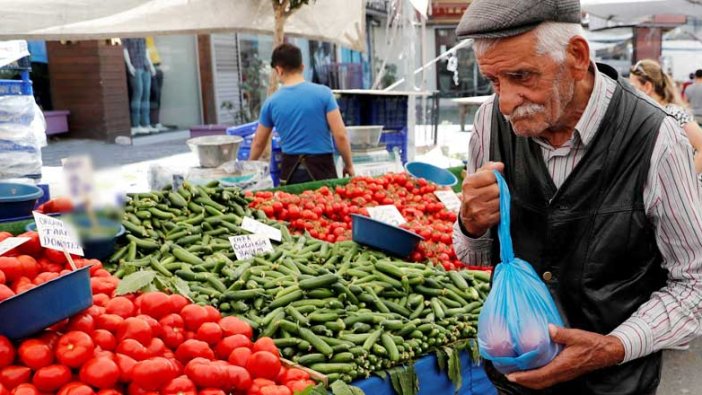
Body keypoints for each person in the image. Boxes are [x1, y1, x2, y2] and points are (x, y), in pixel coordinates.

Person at [453, 0, 702, 394]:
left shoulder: (657, 138)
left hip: (613, 384)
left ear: (577, 56)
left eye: (521, 76)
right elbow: (475, 255)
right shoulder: (489, 124)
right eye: (494, 81)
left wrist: (611, 347)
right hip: (518, 381)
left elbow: (694, 283)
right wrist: (469, 222)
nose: (505, 102)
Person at [249, 43, 354, 185]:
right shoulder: (324, 94)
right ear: (302, 67)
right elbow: (340, 135)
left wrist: (247, 169)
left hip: (291, 174)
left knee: (295, 206)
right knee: (326, 206)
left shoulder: (271, 102)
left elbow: (258, 143)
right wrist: (348, 164)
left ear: (278, 70)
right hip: (322, 171)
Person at [630, 59, 702, 174]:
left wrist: (687, 181)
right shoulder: (654, 114)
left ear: (647, 87)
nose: (631, 92)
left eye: (633, 86)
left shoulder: (674, 113)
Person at [123, 38, 156, 135]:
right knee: (138, 93)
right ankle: (135, 125)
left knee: (146, 95)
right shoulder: (126, 36)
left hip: (145, 66)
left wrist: (151, 66)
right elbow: (124, 50)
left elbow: (146, 51)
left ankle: (146, 124)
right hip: (135, 66)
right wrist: (129, 65)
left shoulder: (142, 36)